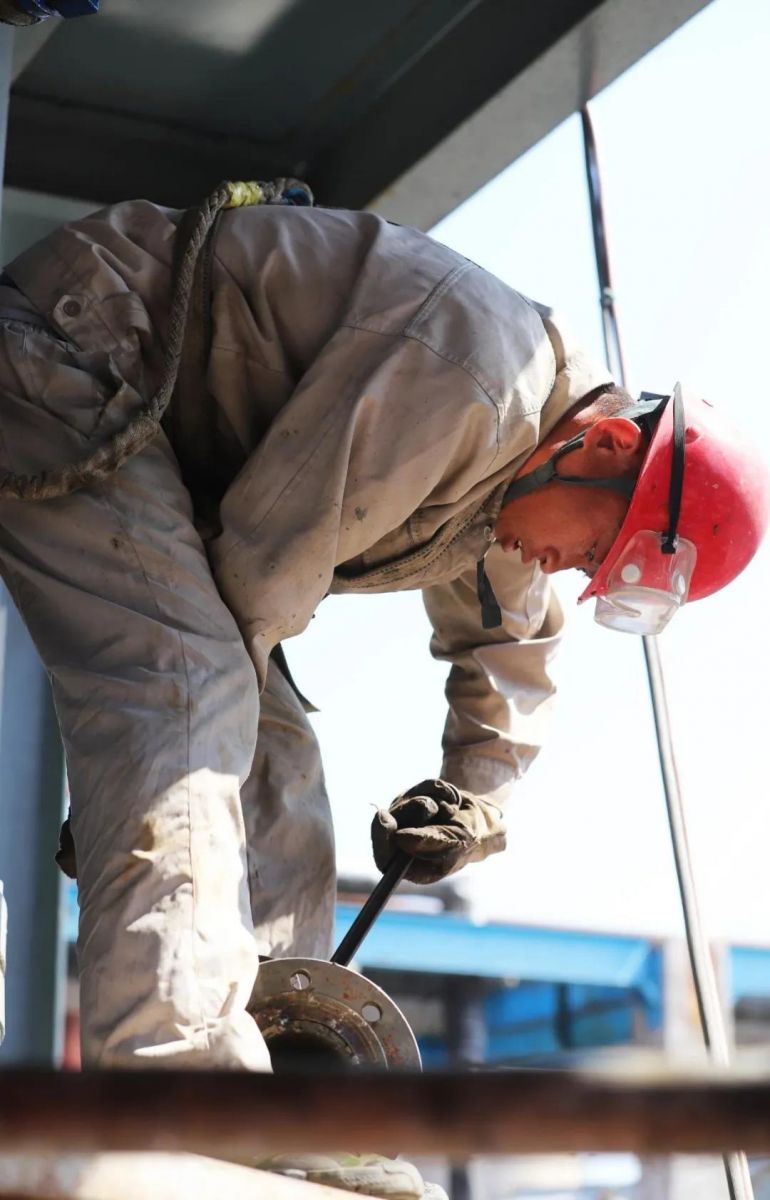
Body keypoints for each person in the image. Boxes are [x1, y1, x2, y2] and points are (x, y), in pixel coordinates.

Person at [0, 186, 766, 1195]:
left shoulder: (535, 462)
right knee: (185, 696)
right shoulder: (473, 383)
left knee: (268, 758)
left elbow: (511, 648)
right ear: (606, 448)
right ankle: (179, 1078)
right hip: (72, 357)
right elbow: (260, 576)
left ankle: (264, 1080)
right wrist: (145, 800)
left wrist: (473, 791)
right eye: (594, 552)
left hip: (162, 455)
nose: (575, 575)